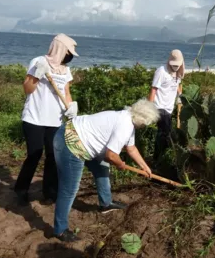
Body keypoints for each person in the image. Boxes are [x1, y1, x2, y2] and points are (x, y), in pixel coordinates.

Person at [52, 99, 159, 242]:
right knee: (69, 189)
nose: (145, 126)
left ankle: (106, 203)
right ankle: (60, 230)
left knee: (102, 168)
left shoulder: (127, 117)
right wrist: (120, 163)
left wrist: (145, 167)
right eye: (146, 123)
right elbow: (110, 155)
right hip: (70, 142)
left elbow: (131, 148)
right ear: (142, 120)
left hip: (81, 138)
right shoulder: (125, 125)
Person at [14, 33, 79, 205]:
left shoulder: (66, 70)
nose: (69, 56)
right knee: (34, 155)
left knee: (53, 156)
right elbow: (27, 89)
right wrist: (37, 75)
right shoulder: (39, 62)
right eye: (68, 52)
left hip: (55, 120)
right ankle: (21, 190)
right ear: (59, 49)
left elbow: (66, 92)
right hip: (34, 118)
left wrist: (71, 106)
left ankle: (50, 192)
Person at [148, 49, 185, 161]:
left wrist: (180, 96)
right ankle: (158, 160)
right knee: (164, 134)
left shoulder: (178, 72)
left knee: (164, 135)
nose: (175, 67)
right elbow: (154, 90)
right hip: (160, 107)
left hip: (169, 109)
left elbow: (177, 85)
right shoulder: (162, 71)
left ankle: (160, 158)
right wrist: (149, 109)